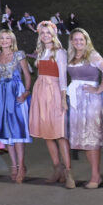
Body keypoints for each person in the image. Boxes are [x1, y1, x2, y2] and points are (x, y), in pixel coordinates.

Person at [66, 27, 103, 189]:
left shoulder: (92, 55)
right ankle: (97, 174)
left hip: (91, 100)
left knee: (92, 139)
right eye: (76, 39)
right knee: (84, 140)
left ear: (87, 41)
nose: (79, 42)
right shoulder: (71, 55)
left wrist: (100, 88)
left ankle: (95, 176)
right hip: (76, 101)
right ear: (72, 41)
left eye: (82, 39)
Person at [28, 21, 74, 188]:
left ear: (54, 34)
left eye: (48, 32)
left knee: (59, 133)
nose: (45, 35)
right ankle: (57, 169)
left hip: (54, 91)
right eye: (42, 33)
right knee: (47, 134)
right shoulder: (40, 52)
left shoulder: (59, 52)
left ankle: (68, 172)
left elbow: (62, 76)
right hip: (41, 91)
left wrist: (63, 97)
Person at [0, 28, 33, 183]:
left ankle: (22, 166)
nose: (4, 41)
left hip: (16, 93)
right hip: (3, 94)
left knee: (17, 131)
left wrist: (26, 92)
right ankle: (14, 166)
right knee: (7, 132)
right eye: (1, 38)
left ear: (12, 40)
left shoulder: (19, 55)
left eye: (7, 38)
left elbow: (27, 75)